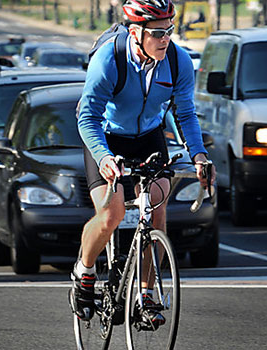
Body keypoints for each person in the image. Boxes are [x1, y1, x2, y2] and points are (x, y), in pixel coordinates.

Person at [71, 0, 216, 328]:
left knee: (158, 206)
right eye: (157, 33)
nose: (165, 38)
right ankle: (85, 269)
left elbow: (185, 113)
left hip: (149, 136)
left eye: (170, 30)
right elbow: (88, 116)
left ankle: (147, 294)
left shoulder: (178, 61)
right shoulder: (110, 59)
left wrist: (199, 155)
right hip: (106, 138)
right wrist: (104, 157)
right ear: (135, 33)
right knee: (112, 214)